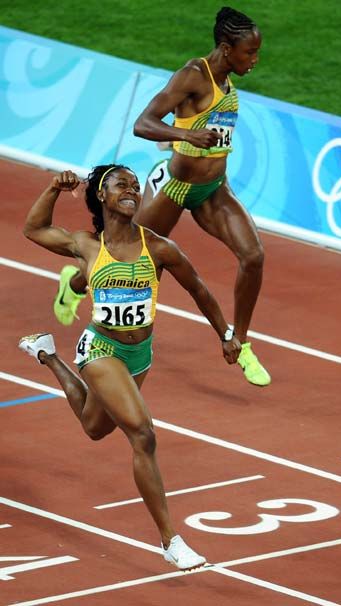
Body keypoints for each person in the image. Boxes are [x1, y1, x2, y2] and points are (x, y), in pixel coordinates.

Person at [19, 165, 241, 571]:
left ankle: (47, 355)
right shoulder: (86, 245)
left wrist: (226, 334)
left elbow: (199, 289)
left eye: (136, 186)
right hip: (101, 349)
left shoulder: (159, 248)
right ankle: (171, 540)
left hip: (140, 355)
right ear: (101, 196)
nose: (133, 190)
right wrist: (53, 188)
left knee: (94, 428)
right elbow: (34, 229)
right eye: (122, 184)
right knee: (142, 433)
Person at [54, 6, 271, 387]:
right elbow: (143, 124)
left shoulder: (226, 81)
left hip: (213, 190)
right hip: (174, 188)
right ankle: (73, 284)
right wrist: (185, 136)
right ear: (225, 48)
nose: (254, 60)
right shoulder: (192, 76)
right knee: (122, 259)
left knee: (253, 256)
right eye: (249, 53)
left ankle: (243, 341)